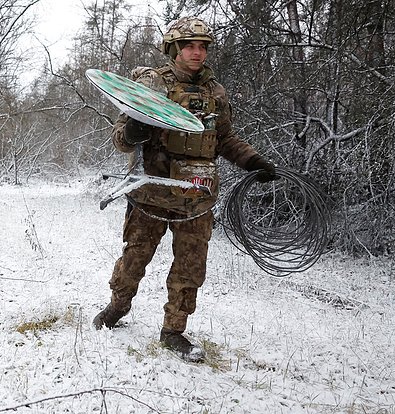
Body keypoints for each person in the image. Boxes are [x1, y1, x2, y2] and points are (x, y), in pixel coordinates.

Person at [93, 17, 278, 361]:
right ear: (174, 50)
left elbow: (223, 139)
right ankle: (117, 307)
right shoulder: (150, 85)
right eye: (190, 46)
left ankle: (173, 331)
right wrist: (135, 127)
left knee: (190, 267)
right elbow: (121, 140)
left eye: (203, 47)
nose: (197, 52)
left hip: (196, 196)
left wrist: (254, 162)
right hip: (152, 194)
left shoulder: (215, 93)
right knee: (135, 257)